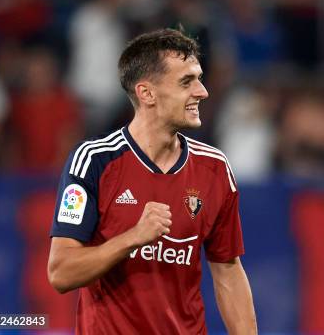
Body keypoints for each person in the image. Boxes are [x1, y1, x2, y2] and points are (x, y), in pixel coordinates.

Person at [47, 28, 257, 334]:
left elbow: (227, 269)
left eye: (199, 78)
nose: (202, 91)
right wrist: (133, 237)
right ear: (147, 93)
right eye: (187, 82)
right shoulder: (94, 161)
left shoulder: (215, 168)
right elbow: (61, 272)